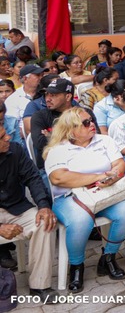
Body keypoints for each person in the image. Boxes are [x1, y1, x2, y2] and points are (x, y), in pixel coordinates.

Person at [44, 108, 125, 293]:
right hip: (71, 198)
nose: (92, 124)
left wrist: (112, 178)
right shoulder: (58, 149)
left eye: (91, 120)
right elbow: (59, 178)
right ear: (71, 130)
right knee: (81, 220)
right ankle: (76, 266)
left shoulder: (104, 140)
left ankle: (108, 257)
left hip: (104, 193)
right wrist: (100, 176)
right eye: (85, 123)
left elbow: (120, 164)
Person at [0, 115, 57, 302]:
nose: (8, 137)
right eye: (1, 138)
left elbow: (33, 177)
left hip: (15, 207)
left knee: (44, 223)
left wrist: (43, 205)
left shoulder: (15, 150)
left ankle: (39, 285)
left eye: (5, 133)